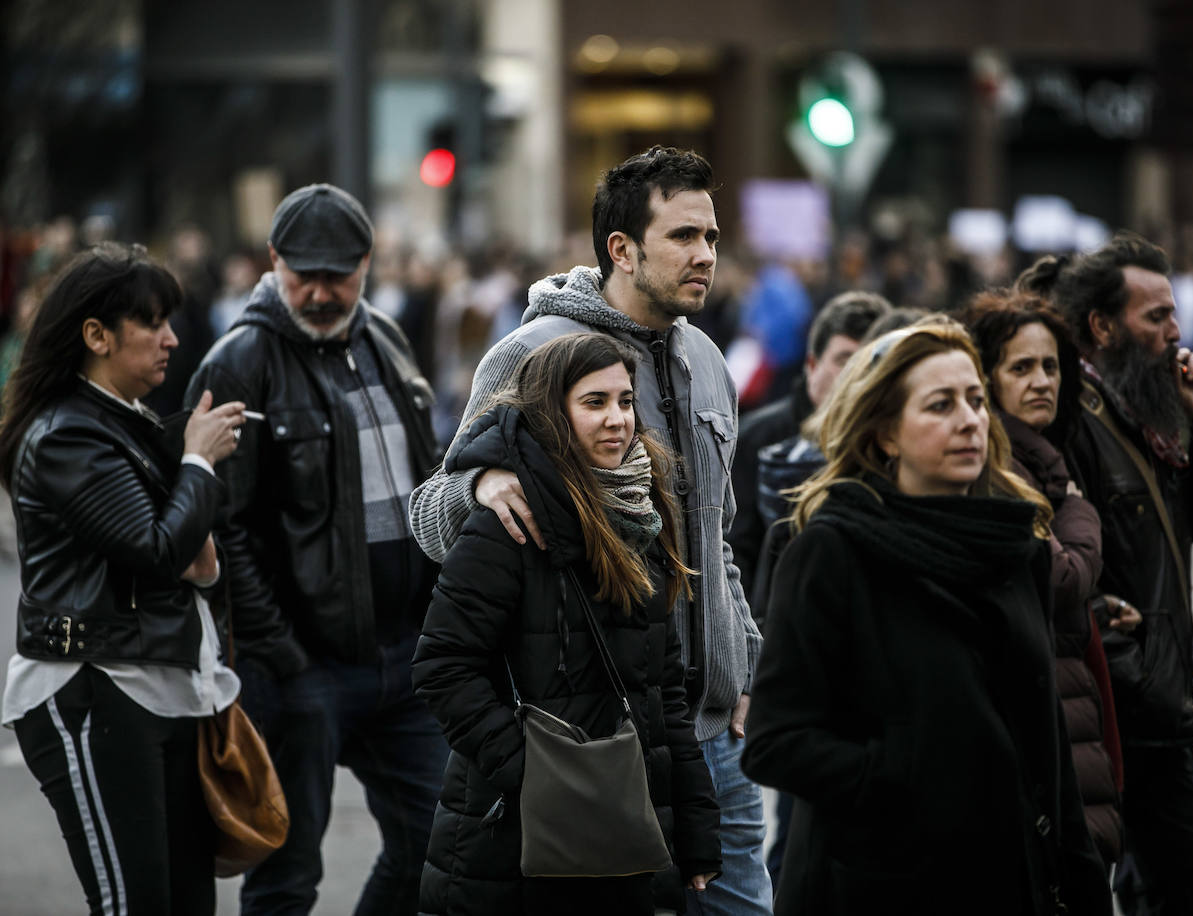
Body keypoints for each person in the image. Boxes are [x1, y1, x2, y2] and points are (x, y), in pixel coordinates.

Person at [409, 146, 771, 914]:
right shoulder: (532, 355)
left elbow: (718, 538)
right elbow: (432, 518)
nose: (706, 255)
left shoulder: (707, 359)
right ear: (622, 249)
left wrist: (746, 667)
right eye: (683, 237)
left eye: (712, 237)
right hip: (597, 742)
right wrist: (480, 480)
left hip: (713, 733)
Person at [740, 318, 1112, 915]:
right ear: (886, 434)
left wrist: (1083, 883)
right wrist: (914, 774)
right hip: (881, 887)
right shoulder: (831, 553)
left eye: (974, 400)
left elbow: (1050, 755)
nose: (969, 420)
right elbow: (776, 743)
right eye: (940, 405)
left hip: (1009, 881)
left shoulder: (1016, 546)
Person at [185, 183, 446, 915]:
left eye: (341, 275)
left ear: (368, 263)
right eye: (306, 275)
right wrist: (281, 655)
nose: (324, 292)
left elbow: (426, 478)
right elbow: (221, 523)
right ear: (273, 261)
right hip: (303, 670)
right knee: (286, 879)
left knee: (441, 850)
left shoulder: (387, 339)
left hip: (405, 657)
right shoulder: (240, 361)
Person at [411, 332, 722, 914]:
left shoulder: (641, 512)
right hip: (514, 845)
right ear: (554, 413)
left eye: (626, 401)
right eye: (595, 402)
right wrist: (533, 773)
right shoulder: (507, 521)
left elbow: (664, 690)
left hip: (625, 833)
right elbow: (442, 667)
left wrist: (696, 829)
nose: (618, 420)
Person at [0, 243, 246, 915]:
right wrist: (197, 461)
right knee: (134, 905)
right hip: (93, 688)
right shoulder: (67, 434)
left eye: (171, 321)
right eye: (152, 322)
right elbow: (160, 549)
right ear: (96, 335)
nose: (171, 339)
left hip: (161, 684)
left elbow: (200, 561)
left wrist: (191, 481)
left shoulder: (124, 424)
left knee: (189, 903)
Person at [1042, 233, 1193, 916]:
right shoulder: (1076, 421)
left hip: (1155, 700)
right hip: (1117, 703)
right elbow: (1067, 566)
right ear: (1103, 327)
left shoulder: (1144, 417)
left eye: (1173, 314)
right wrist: (1132, 668)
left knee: (1177, 890)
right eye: (1154, 317)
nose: (1174, 333)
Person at [962, 290, 1125, 863]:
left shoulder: (1044, 456)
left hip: (1066, 706)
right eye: (1021, 367)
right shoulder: (997, 462)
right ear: (988, 378)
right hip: (1040, 724)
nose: (1041, 381)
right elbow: (1059, 577)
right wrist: (1079, 510)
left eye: (1051, 366)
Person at [730, 290, 890, 596]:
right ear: (812, 365)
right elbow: (737, 551)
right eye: (845, 360)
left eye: (870, 362)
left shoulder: (893, 441)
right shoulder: (756, 439)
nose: (857, 375)